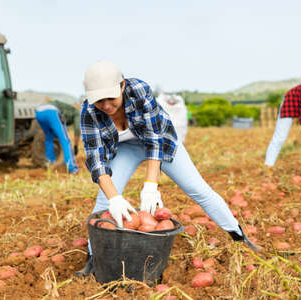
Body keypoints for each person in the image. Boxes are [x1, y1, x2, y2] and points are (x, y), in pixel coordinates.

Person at [75, 60, 258, 277]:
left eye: (110, 98)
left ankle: (240, 238)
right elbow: (96, 160)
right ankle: (93, 260)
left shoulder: (139, 90)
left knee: (198, 189)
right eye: (99, 101)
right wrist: (115, 198)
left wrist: (151, 186)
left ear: (122, 86)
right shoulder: (89, 112)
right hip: (126, 149)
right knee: (104, 201)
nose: (105, 106)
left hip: (161, 142)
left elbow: (154, 140)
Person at [35, 99, 80, 174]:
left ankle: (49, 164)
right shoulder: (76, 112)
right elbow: (77, 129)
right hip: (51, 112)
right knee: (65, 140)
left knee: (49, 138)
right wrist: (76, 146)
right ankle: (72, 168)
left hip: (39, 112)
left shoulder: (65, 108)